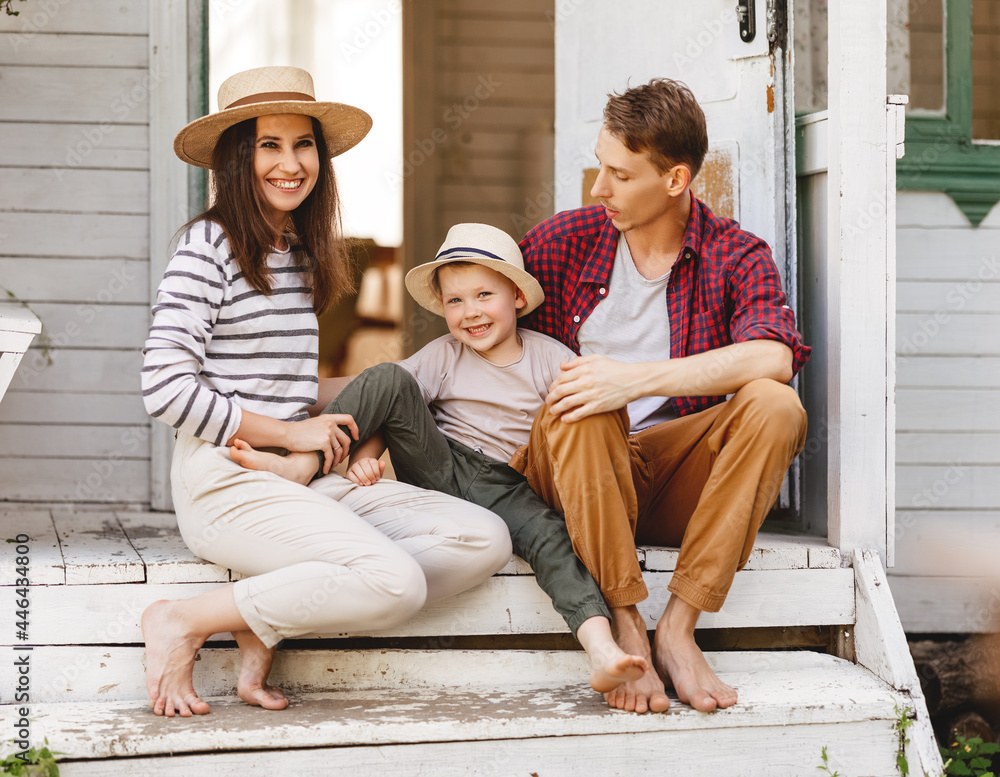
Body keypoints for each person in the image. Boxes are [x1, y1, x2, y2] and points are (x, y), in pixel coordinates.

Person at [139, 67, 511, 717]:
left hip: (305, 477)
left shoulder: (297, 252)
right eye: (269, 145)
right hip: (227, 477)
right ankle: (183, 617)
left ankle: (264, 615)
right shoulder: (209, 244)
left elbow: (286, 387)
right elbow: (164, 385)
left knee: (484, 537)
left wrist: (404, 385)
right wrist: (288, 434)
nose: (291, 162)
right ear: (236, 157)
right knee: (393, 581)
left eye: (303, 144)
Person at [232, 222, 649, 698]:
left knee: (552, 539)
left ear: (516, 296)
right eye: (455, 301)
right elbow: (381, 393)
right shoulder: (444, 355)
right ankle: (301, 465)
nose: (470, 312)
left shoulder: (548, 358)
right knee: (388, 375)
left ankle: (601, 649)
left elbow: (582, 432)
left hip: (508, 484)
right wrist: (283, 397)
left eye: (483, 295)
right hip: (439, 467)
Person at [510, 78, 811, 714]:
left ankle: (677, 628)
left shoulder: (736, 255)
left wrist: (638, 377)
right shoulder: (559, 243)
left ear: (675, 180)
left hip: (670, 476)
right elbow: (468, 336)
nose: (599, 187)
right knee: (585, 401)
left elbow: (774, 356)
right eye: (600, 167)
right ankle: (625, 623)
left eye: (619, 175)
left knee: (776, 404)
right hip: (569, 475)